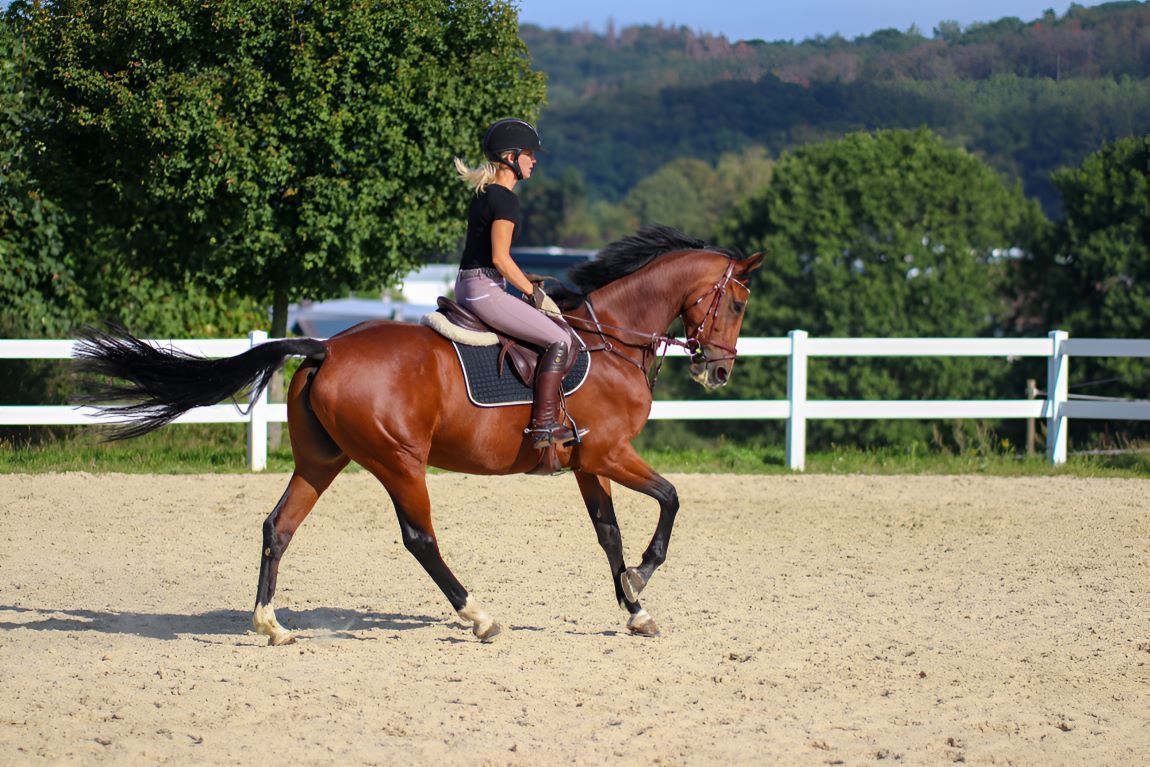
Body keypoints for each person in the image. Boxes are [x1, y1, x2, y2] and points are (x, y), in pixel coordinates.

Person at [453, 118, 586, 449]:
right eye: (529, 153)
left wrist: (522, 280)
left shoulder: (485, 194)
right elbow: (499, 258)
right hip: (485, 289)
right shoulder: (505, 200)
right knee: (559, 339)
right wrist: (534, 293)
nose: (534, 159)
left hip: (470, 285)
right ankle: (543, 426)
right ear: (510, 156)